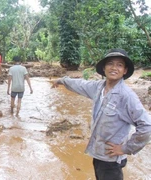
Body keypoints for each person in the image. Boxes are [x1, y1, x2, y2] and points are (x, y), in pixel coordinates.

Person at [52, 48, 151, 180]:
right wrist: (61, 80)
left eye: (119, 65)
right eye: (110, 63)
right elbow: (80, 84)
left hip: (111, 160)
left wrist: (126, 148)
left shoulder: (126, 96)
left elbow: (146, 126)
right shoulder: (98, 87)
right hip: (98, 154)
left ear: (125, 71)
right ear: (104, 68)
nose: (114, 68)